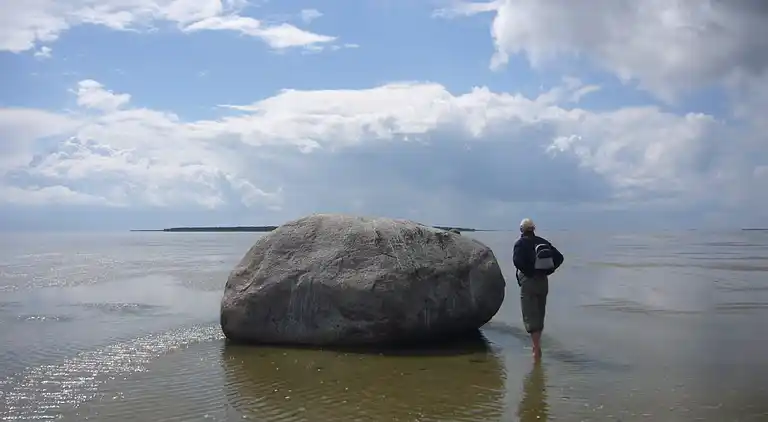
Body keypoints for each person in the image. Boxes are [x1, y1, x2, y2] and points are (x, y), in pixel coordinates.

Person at [512, 218, 564, 359]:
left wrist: (529, 272)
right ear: (533, 229)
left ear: (522, 230)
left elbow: (517, 261)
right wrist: (547, 271)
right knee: (540, 313)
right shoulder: (542, 242)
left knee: (530, 314)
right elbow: (559, 257)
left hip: (529, 282)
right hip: (543, 282)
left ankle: (536, 348)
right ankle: (537, 344)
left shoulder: (520, 243)